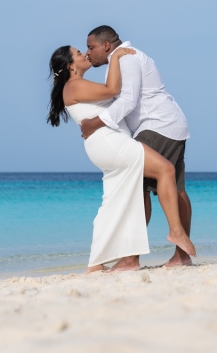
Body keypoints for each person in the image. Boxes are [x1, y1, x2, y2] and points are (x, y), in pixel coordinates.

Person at [47, 44, 196, 273]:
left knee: (113, 203)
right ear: (71, 66)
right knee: (165, 170)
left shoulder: (76, 85)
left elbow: (113, 97)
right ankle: (174, 233)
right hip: (110, 143)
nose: (85, 54)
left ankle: (98, 263)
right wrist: (115, 57)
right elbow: (113, 90)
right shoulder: (75, 85)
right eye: (79, 53)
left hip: (108, 143)